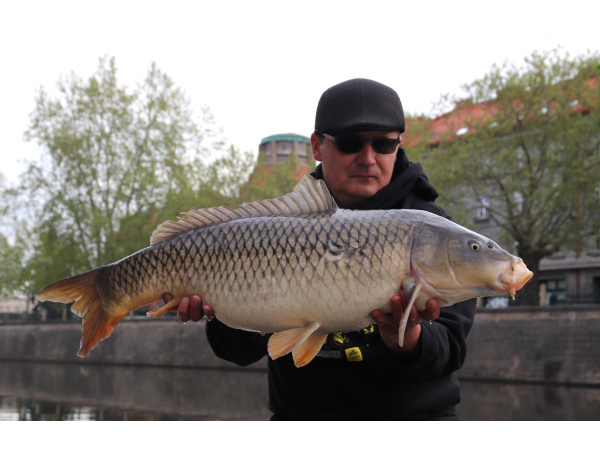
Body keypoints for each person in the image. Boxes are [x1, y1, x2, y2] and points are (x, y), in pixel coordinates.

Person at [167, 78, 477, 420]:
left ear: (398, 145)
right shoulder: (275, 227)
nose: (368, 158)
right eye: (349, 143)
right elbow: (239, 353)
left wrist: (403, 334)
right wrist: (221, 312)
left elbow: (449, 351)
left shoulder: (433, 232)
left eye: (384, 144)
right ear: (317, 146)